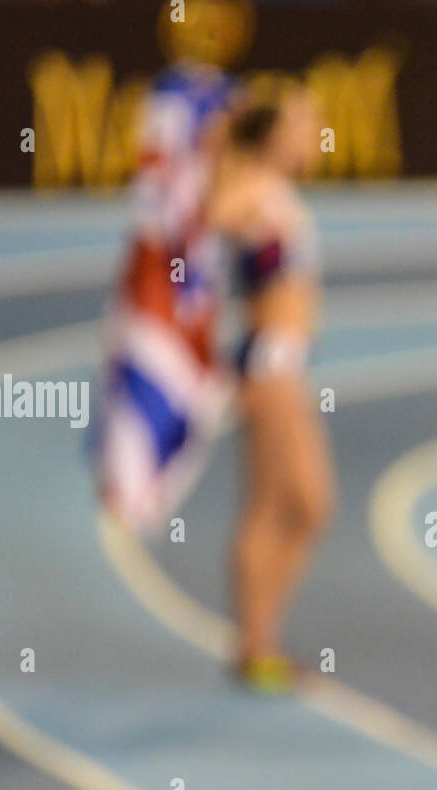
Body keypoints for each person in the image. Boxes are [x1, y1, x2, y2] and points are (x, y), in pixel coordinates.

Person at [204, 83, 335, 693]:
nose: (312, 134)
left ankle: (259, 642)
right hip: (266, 364)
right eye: (302, 123)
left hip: (285, 364)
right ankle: (254, 645)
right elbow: (206, 224)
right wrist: (219, 150)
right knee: (292, 502)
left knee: (299, 505)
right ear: (273, 134)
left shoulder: (275, 191)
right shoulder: (252, 190)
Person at [91, 43, 235, 534]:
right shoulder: (169, 223)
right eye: (217, 125)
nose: (224, 137)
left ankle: (131, 505)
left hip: (180, 305)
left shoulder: (206, 201)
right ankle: (125, 505)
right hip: (158, 310)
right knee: (137, 435)